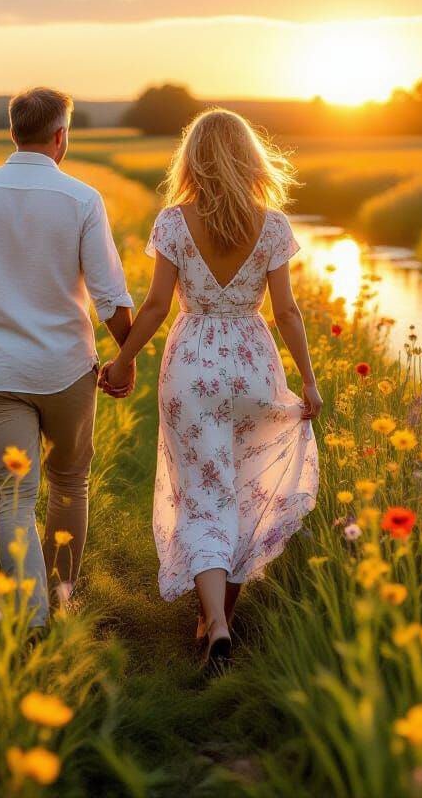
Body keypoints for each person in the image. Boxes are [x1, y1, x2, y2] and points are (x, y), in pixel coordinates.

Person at [99, 108, 321, 668]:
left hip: (192, 361)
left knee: (203, 494)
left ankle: (214, 620)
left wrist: (122, 360)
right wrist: (309, 382)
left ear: (191, 158)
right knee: (246, 489)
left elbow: (153, 306)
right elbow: (287, 311)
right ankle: (218, 617)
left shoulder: (174, 222)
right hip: (253, 361)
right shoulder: (272, 225)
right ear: (249, 157)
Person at [0, 86, 134, 626]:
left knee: (13, 499)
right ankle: (63, 597)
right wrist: (127, 353)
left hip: (0, 371)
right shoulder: (82, 198)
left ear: (13, 132)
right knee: (69, 483)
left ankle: (30, 616)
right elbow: (110, 294)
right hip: (66, 369)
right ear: (61, 136)